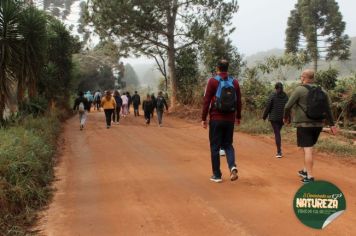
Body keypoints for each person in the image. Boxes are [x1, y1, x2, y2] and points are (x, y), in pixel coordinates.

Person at [284, 69, 337, 184]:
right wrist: (332, 124)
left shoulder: (299, 90)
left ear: (305, 77)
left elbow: (287, 106)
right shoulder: (322, 90)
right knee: (307, 147)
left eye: (302, 76)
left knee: (308, 149)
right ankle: (304, 170)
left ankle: (310, 176)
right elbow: (328, 108)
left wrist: (286, 117)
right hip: (318, 125)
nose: (301, 78)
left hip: (304, 125)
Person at [201, 59, 242, 183]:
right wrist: (238, 117)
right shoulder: (234, 82)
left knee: (215, 147)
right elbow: (239, 101)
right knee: (228, 144)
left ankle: (217, 175)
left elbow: (206, 101)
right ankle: (232, 166)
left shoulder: (212, 81)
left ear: (217, 68)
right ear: (227, 68)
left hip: (216, 119)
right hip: (230, 119)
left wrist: (203, 118)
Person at [263, 82, 289, 158]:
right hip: (282, 118)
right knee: (278, 133)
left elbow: (268, 107)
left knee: (277, 133)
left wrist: (264, 116)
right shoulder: (286, 96)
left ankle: (279, 152)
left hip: (274, 118)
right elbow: (288, 108)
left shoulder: (273, 95)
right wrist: (288, 118)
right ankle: (279, 151)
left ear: (276, 88)